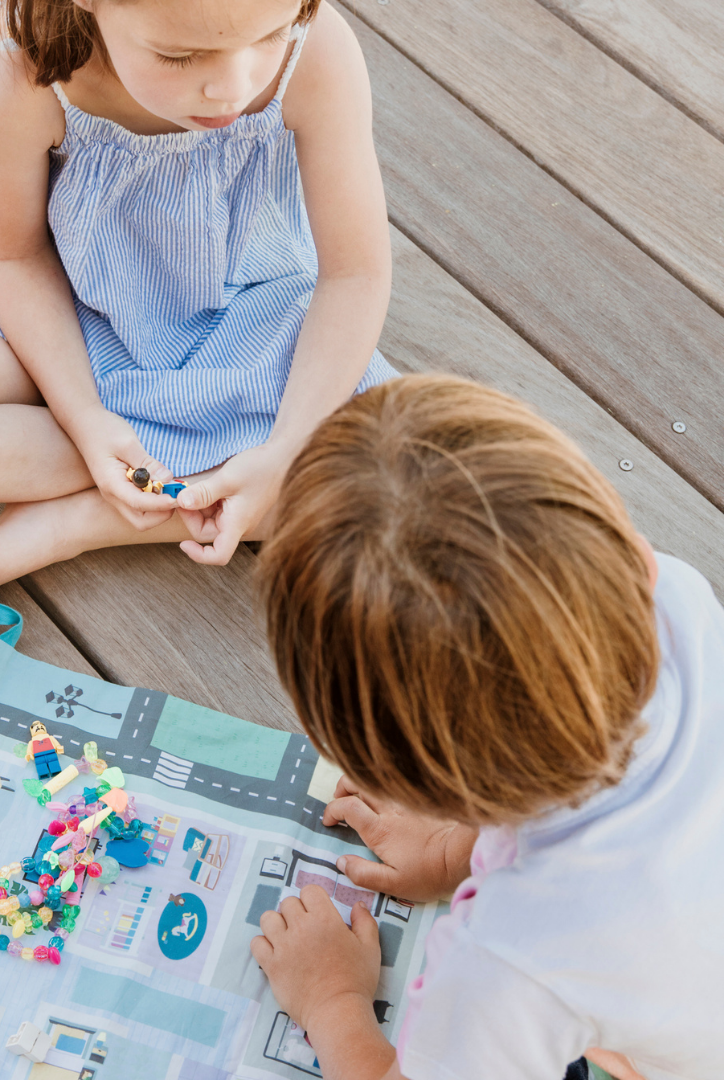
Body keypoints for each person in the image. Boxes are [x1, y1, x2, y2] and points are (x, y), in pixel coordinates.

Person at [0, 0, 396, 617]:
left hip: (238, 294)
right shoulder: (27, 67)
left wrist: (288, 445)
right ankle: (212, 473)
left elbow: (354, 275)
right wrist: (84, 419)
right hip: (50, 291)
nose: (232, 86)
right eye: (179, 55)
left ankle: (92, 520)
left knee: (398, 480)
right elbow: (15, 259)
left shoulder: (318, 51)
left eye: (272, 35)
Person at [251, 375, 723, 1080]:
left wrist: (332, 1000)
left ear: (417, 785)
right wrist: (453, 858)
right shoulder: (680, 598)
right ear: (627, 546)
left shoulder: (510, 961)